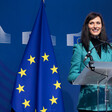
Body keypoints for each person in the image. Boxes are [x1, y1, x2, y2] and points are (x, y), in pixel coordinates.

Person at [68, 12, 112, 112]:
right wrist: (87, 77)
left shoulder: (110, 48)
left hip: (108, 104)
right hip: (87, 104)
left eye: (98, 23)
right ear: (87, 26)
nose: (95, 26)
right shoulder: (80, 48)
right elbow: (71, 76)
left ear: (102, 26)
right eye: (92, 23)